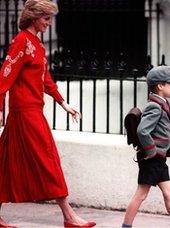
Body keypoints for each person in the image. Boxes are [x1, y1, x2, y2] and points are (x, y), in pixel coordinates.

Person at [0, 0, 96, 227]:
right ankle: (69, 216)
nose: (49, 23)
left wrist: (63, 103)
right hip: (25, 112)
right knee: (48, 159)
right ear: (34, 17)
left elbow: (45, 79)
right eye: (46, 18)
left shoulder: (37, 44)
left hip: (32, 110)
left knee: (6, 162)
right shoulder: (22, 41)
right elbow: (4, 76)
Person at [122, 66, 170, 228]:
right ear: (160, 86)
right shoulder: (155, 106)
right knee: (141, 195)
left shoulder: (161, 103)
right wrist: (151, 151)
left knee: (168, 194)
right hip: (152, 159)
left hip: (159, 159)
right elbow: (143, 131)